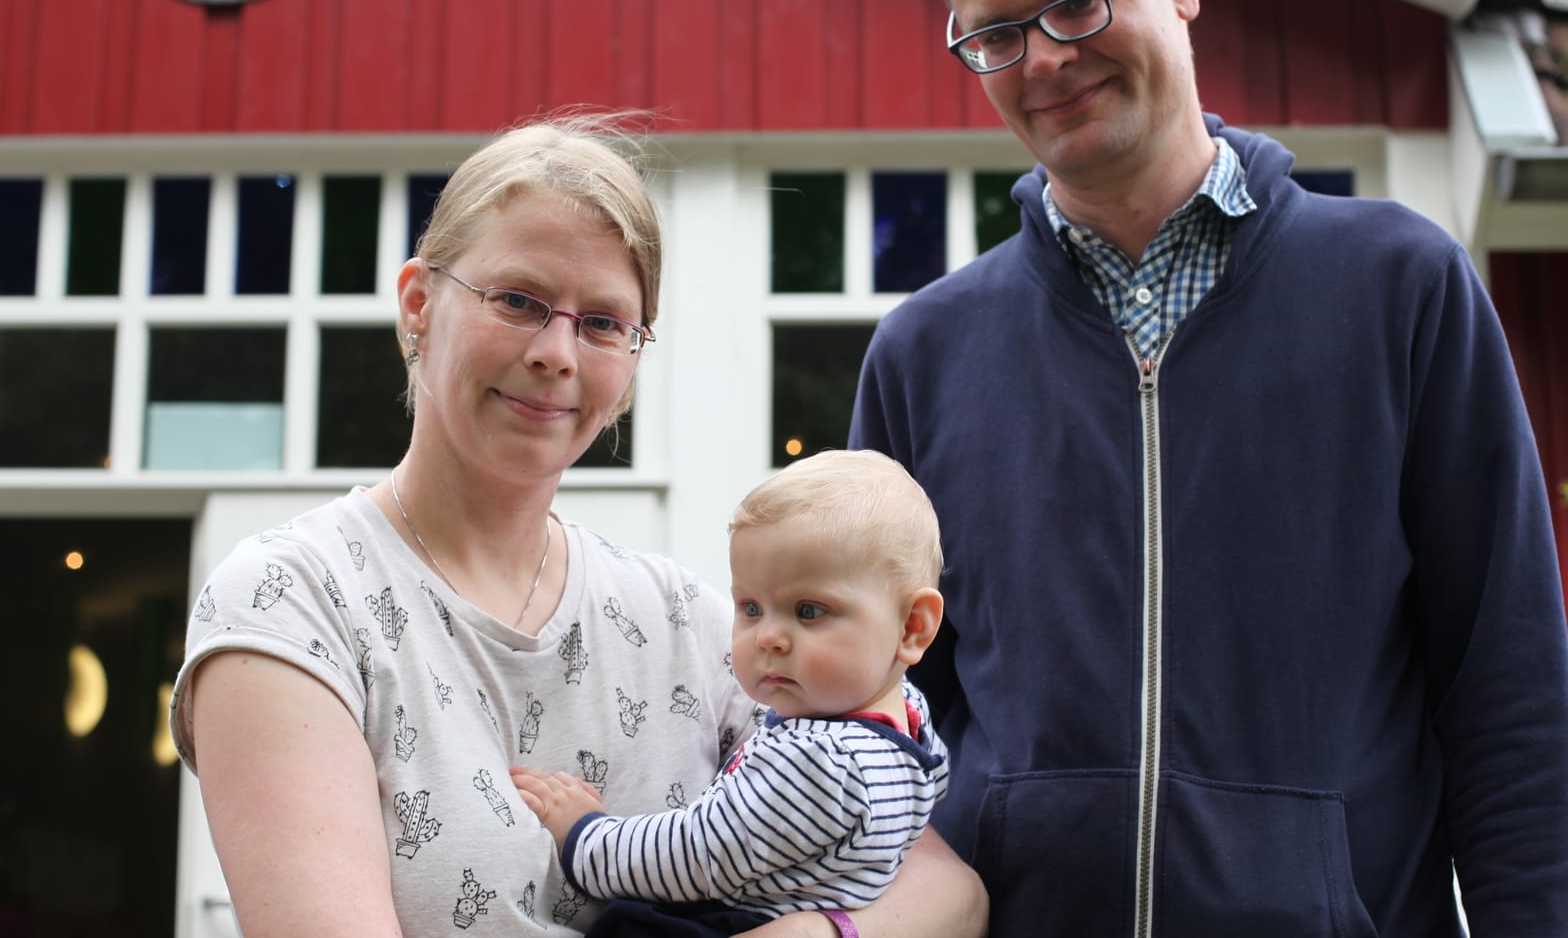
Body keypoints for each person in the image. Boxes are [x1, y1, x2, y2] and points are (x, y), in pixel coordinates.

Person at [848, 0, 1568, 934]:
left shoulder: (1401, 290)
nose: (1046, 58)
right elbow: (880, 723)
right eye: (997, 32)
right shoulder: (922, 355)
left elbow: (1504, 693)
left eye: (1077, 0)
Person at [170, 117, 985, 938]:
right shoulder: (292, 602)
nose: (558, 351)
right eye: (519, 301)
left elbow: (948, 893)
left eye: (602, 323)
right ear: (419, 303)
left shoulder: (694, 623)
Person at [511, 450, 949, 937]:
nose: (768, 638)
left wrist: (584, 834)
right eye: (752, 607)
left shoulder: (820, 763)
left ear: (912, 627)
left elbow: (695, 854)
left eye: (808, 611)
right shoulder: (914, 725)